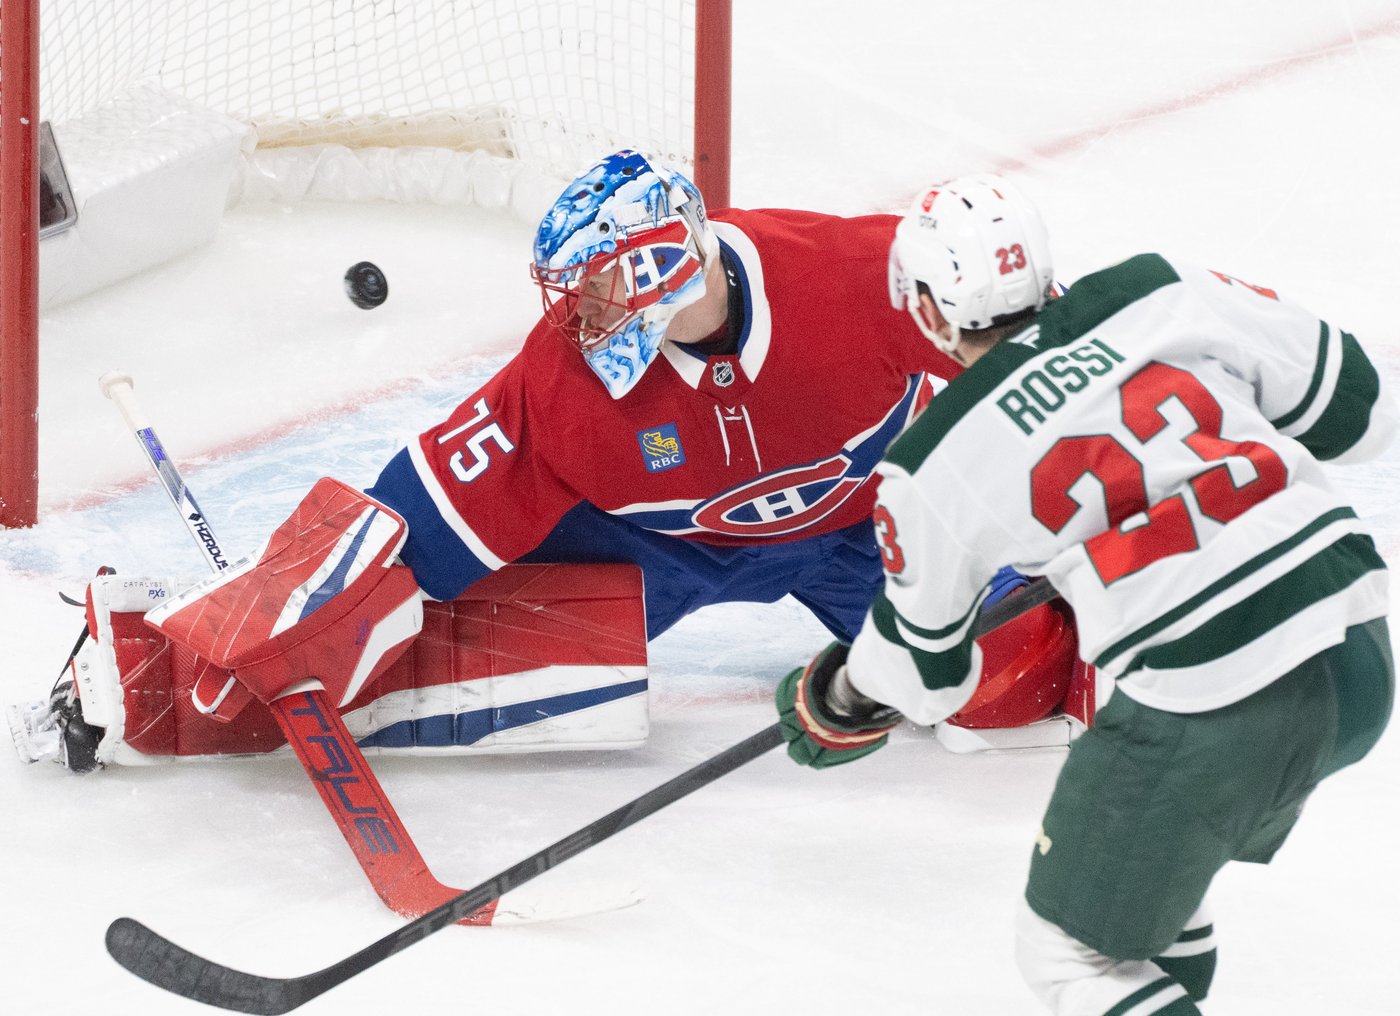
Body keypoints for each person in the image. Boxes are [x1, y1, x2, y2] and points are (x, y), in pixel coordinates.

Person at [21, 150, 1079, 772]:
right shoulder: (564, 384)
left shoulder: (857, 278)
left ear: (664, 267)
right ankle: (164, 658)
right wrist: (274, 618)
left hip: (860, 525)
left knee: (1007, 676)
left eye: (599, 287)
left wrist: (1105, 527)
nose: (580, 315)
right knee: (431, 654)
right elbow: (413, 517)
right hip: (649, 548)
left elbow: (1045, 366)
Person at [775, 174, 1396, 1014]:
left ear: (926, 309)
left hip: (1213, 693)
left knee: (1071, 957)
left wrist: (840, 697)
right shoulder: (1161, 290)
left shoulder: (936, 462)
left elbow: (926, 676)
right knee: (1151, 900)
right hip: (1356, 645)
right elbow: (1360, 411)